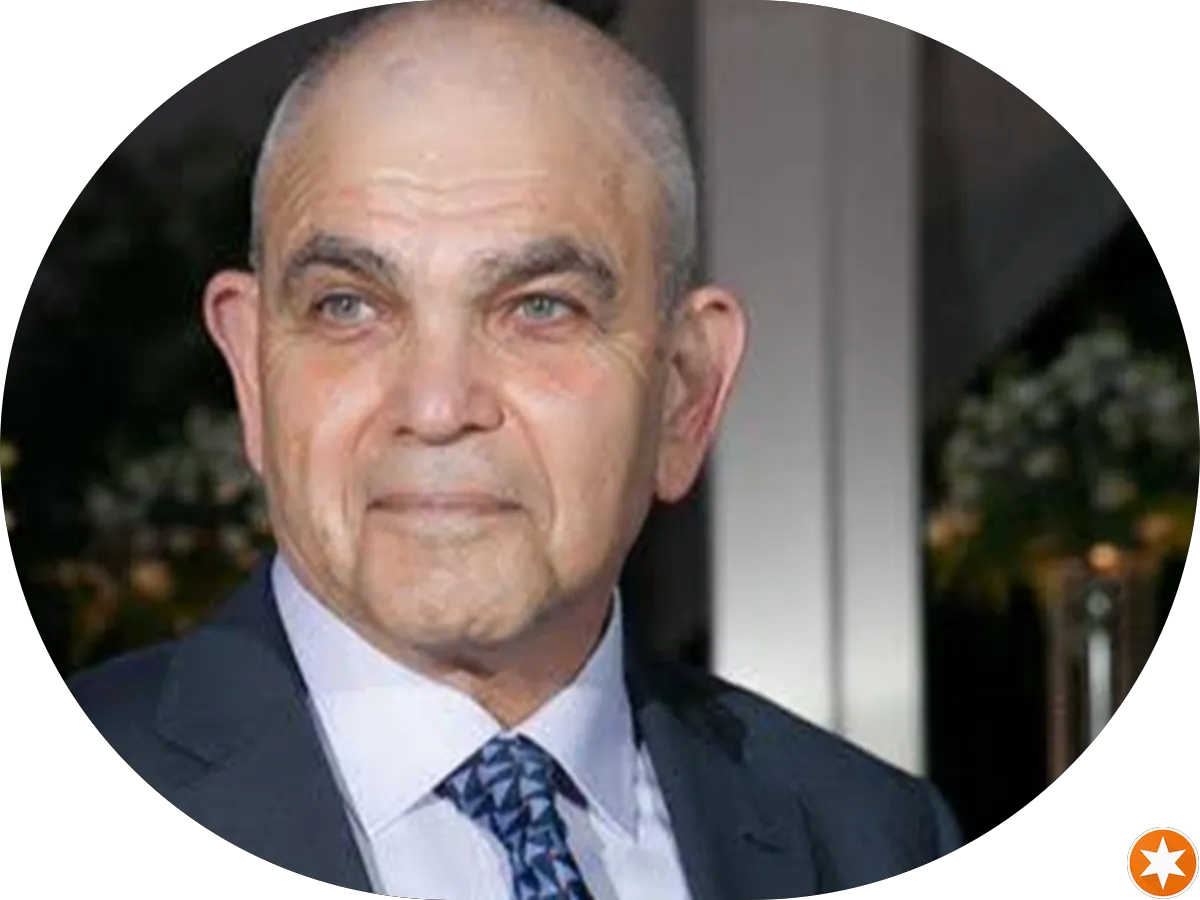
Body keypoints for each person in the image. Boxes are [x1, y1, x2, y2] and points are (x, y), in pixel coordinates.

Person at [66, 1, 964, 896]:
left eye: (540, 308)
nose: (436, 407)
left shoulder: (871, 836)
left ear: (685, 394)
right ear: (253, 374)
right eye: (349, 306)